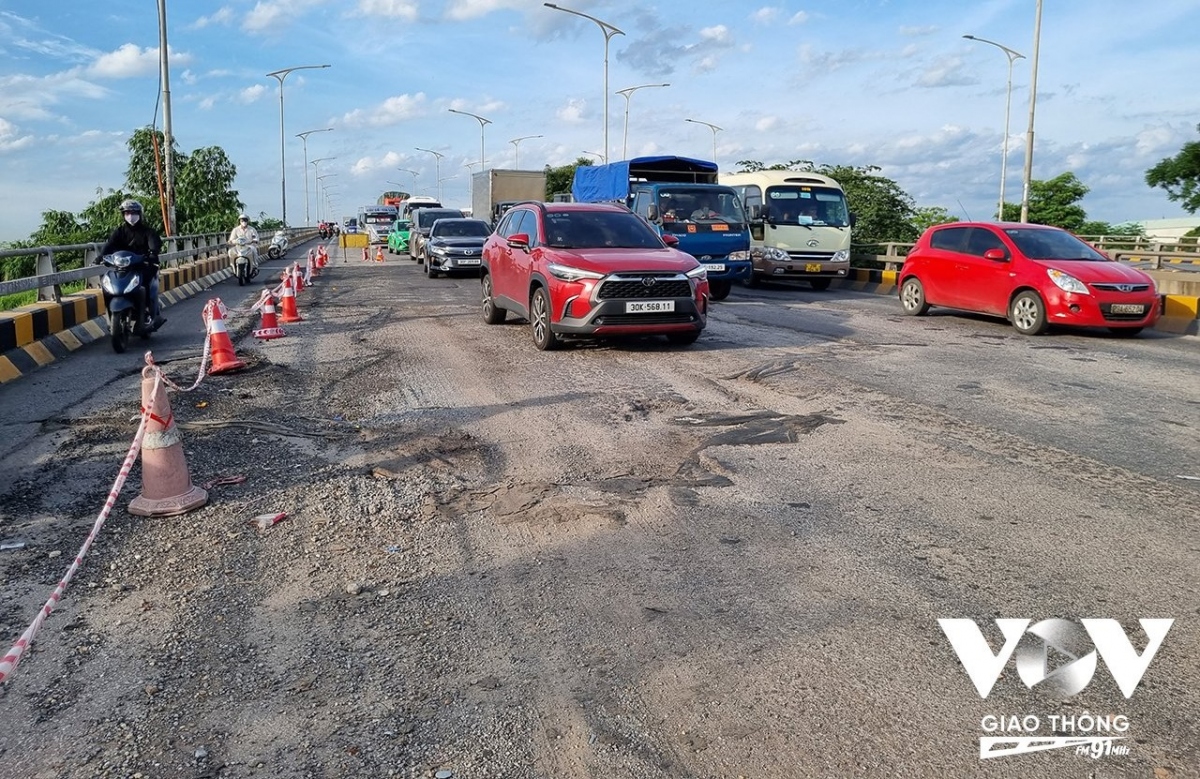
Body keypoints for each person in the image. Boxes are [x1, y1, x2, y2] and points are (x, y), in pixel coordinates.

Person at [98, 199, 165, 333]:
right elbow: (109, 245)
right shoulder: (119, 232)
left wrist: (152, 254)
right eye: (127, 212)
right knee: (106, 284)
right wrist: (101, 256)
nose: (131, 215)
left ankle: (147, 312)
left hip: (143, 265)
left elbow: (155, 244)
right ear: (123, 215)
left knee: (143, 284)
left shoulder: (148, 232)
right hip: (123, 267)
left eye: (133, 212)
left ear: (140, 214)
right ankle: (110, 315)